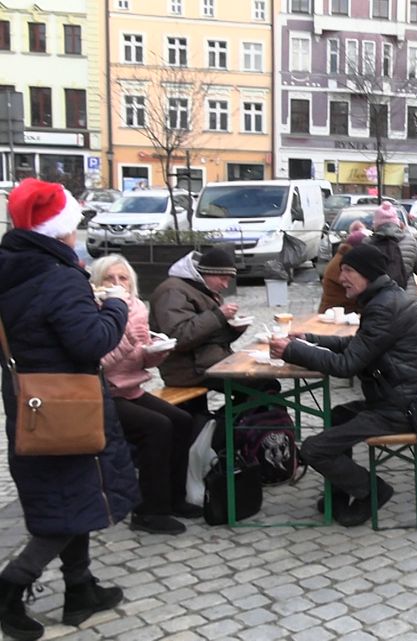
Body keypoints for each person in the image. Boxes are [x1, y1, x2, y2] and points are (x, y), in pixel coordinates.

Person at [0, 178, 136, 638]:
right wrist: (115, 306)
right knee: (70, 504)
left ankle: (81, 588)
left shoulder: (12, 269)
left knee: (73, 499)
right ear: (61, 230)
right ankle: (9, 587)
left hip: (29, 402)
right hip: (68, 407)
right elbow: (91, 342)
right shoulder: (58, 276)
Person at [270, 244, 417, 527]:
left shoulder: (385, 306)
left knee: (312, 449)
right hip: (400, 398)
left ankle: (373, 491)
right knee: (336, 416)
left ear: (368, 274)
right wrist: (309, 339)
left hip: (402, 409)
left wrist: (290, 351)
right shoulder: (386, 298)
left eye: (348, 270)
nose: (341, 276)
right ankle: (339, 494)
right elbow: (359, 346)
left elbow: (347, 365)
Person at [90, 256, 199, 536]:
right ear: (97, 283)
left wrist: (155, 352)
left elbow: (139, 361)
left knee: (181, 420)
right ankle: (149, 511)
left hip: (131, 388)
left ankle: (175, 498)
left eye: (122, 278)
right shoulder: (92, 312)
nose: (116, 284)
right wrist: (128, 341)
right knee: (156, 427)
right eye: (109, 279)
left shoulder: (137, 308)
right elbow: (97, 363)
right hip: (102, 395)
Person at [150, 248, 280, 412]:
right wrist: (218, 315)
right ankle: (225, 425)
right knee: (263, 384)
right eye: (223, 279)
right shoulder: (173, 291)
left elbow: (211, 336)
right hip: (190, 371)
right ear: (207, 273)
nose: (225, 285)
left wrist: (234, 329)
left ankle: (232, 425)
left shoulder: (201, 289)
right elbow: (179, 337)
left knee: (264, 382)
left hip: (209, 364)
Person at [371, 201, 417, 294]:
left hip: (377, 297)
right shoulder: (410, 241)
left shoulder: (367, 243)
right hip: (407, 296)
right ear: (396, 222)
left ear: (376, 224)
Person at [319, 228, 368, 314]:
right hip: (335, 312)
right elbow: (358, 289)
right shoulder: (343, 263)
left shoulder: (344, 257)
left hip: (340, 310)